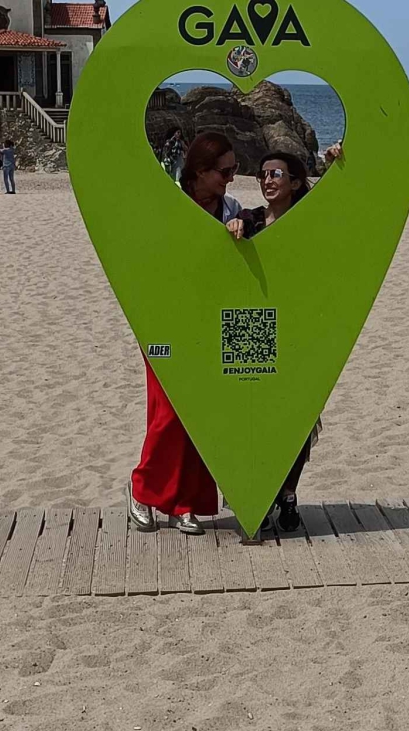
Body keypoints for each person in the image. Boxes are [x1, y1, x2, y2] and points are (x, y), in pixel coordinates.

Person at [127, 133, 247, 535]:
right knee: (168, 414)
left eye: (234, 170)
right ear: (199, 172)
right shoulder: (170, 202)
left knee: (199, 414)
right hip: (163, 322)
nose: (231, 178)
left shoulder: (231, 209)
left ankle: (183, 503)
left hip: (209, 324)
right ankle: (142, 490)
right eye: (224, 171)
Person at [227, 149, 321, 532]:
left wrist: (338, 160)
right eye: (263, 174)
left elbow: (340, 205)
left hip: (297, 326)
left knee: (298, 416)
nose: (267, 180)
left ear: (295, 182)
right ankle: (260, 494)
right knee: (254, 414)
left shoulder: (308, 217)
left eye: (276, 174)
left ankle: (288, 492)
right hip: (255, 325)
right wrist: (234, 225)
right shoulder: (250, 219)